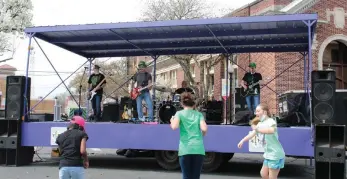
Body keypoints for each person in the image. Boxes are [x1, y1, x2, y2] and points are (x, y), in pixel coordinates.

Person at [237, 104, 285, 179]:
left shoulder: (271, 121)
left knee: (272, 177)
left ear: (265, 112)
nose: (256, 113)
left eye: (258, 111)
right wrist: (242, 140)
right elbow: (252, 134)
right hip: (268, 154)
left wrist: (257, 129)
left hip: (275, 154)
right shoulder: (260, 123)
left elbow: (271, 130)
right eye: (255, 111)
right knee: (263, 174)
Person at [170, 92, 208, 179]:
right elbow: (204, 129)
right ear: (193, 104)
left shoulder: (179, 114)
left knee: (186, 176)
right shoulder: (199, 115)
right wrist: (203, 135)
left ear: (182, 103)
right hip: (198, 149)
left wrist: (172, 121)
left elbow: (174, 127)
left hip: (185, 149)